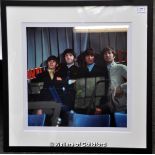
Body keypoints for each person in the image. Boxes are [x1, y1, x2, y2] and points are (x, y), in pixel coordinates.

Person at [96, 47, 127, 114]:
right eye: (105, 54)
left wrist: (121, 87)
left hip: (119, 104)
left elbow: (134, 81)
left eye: (109, 53)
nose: (107, 55)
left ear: (114, 55)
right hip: (104, 105)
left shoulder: (121, 67)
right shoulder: (101, 70)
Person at [56, 49, 79, 125]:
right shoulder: (60, 69)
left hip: (74, 96)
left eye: (70, 55)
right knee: (62, 118)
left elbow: (77, 81)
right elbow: (57, 80)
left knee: (72, 118)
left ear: (74, 58)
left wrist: (63, 81)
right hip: (61, 96)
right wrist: (70, 81)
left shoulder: (78, 69)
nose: (68, 57)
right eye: (66, 55)